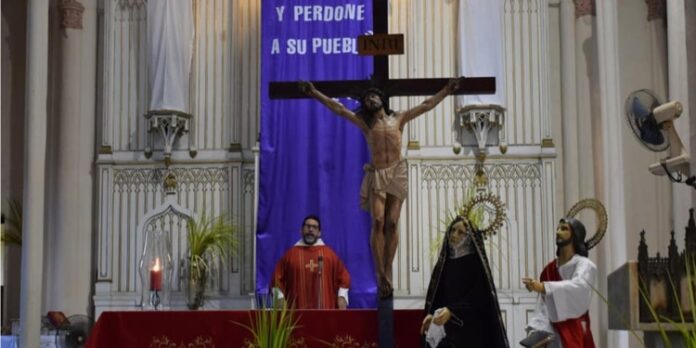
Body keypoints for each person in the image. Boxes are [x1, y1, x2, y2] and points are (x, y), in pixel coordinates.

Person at [300, 79, 461, 298]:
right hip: (378, 172)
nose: (369, 100)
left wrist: (446, 90)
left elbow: (426, 105)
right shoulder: (365, 124)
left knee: (392, 222)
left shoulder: (399, 118)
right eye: (366, 98)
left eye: (373, 96)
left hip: (397, 171)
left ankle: (388, 270)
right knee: (377, 221)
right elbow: (338, 109)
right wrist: (314, 93)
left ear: (382, 99)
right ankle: (380, 272)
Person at [420, 216, 509, 348]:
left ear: (469, 238)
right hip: (446, 332)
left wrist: (452, 311)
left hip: (471, 333)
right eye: (452, 230)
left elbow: (479, 298)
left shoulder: (476, 265)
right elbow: (438, 295)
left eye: (460, 232)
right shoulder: (444, 263)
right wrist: (432, 315)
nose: (454, 235)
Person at [522, 218, 597, 348]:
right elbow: (543, 306)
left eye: (564, 229)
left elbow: (580, 289)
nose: (558, 232)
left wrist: (544, 287)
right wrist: (537, 332)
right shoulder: (549, 269)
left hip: (575, 331)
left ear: (575, 234)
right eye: (558, 228)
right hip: (552, 333)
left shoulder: (585, 265)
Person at [271, 215, 351, 309]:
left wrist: (341, 297)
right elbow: (276, 279)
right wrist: (280, 298)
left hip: (325, 312)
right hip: (296, 312)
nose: (310, 229)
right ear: (301, 230)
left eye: (314, 227)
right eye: (307, 226)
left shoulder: (329, 255)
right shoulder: (290, 255)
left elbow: (344, 278)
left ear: (319, 233)